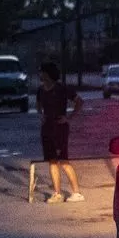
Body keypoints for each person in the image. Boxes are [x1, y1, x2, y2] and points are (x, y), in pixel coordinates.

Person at [36, 62, 85, 204]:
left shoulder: (62, 88)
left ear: (48, 73)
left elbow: (79, 101)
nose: (40, 75)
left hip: (60, 127)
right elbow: (38, 105)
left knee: (63, 161)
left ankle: (76, 192)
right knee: (52, 161)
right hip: (47, 127)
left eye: (42, 72)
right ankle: (57, 193)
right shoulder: (40, 90)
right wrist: (41, 115)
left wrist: (69, 117)